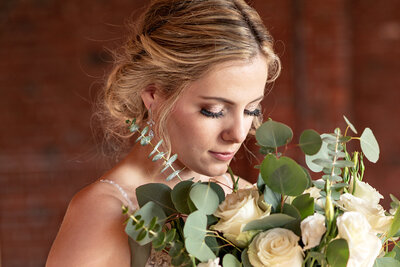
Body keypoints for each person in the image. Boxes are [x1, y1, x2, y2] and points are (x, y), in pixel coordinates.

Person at [46, 0, 280, 266]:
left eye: (252, 109)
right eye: (214, 110)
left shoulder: (249, 201)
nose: (239, 133)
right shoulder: (105, 213)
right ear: (153, 93)